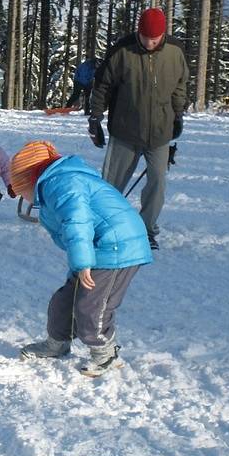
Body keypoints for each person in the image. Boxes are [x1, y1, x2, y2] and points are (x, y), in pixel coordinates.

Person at [10, 140, 152, 377]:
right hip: (99, 248)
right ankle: (57, 342)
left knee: (92, 307)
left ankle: (105, 353)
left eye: (18, 189)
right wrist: (80, 263)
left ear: (28, 179)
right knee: (64, 300)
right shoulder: (54, 185)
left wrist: (83, 263)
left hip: (117, 246)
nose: (21, 196)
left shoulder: (62, 184)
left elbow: (78, 222)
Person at [89, 7, 188, 250]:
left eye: (154, 39)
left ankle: (146, 230)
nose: (150, 42)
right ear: (138, 32)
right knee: (111, 184)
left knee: (158, 183)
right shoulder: (122, 51)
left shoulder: (175, 52)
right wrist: (95, 119)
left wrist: (177, 115)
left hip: (159, 133)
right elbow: (102, 86)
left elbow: (180, 85)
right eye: (145, 38)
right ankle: (103, 227)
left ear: (163, 34)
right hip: (125, 131)